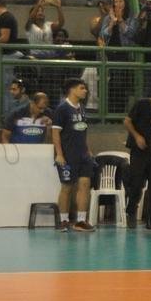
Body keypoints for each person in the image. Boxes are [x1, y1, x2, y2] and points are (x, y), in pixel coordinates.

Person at [51, 79, 95, 232]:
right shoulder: (62, 109)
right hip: (67, 155)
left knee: (84, 185)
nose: (85, 91)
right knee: (67, 187)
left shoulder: (82, 108)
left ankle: (81, 221)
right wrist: (59, 154)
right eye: (82, 88)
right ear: (72, 90)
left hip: (83, 155)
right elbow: (55, 132)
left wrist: (88, 150)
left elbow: (82, 131)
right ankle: (63, 220)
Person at [124, 87, 151, 230]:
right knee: (136, 183)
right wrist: (137, 136)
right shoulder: (142, 103)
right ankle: (131, 212)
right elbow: (127, 121)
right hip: (139, 150)